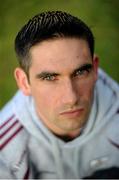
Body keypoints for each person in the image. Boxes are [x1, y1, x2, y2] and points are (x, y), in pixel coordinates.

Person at [0, 11, 119, 179]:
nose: (71, 98)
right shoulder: (5, 155)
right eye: (49, 78)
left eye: (80, 72)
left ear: (95, 69)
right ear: (24, 82)